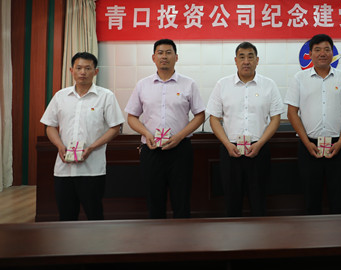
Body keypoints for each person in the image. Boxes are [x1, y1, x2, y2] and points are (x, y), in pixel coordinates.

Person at [125, 39, 205, 218]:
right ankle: (156, 236)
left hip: (180, 150)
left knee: (181, 201)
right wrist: (146, 133)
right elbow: (131, 117)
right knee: (154, 202)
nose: (164, 56)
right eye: (160, 53)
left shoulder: (188, 84)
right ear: (153, 58)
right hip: (151, 149)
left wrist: (179, 136)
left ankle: (182, 235)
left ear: (176, 57)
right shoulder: (143, 85)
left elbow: (200, 115)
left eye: (169, 53)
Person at [40, 52, 124, 221]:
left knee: (94, 216)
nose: (83, 72)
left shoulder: (106, 96)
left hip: (92, 169)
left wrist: (91, 147)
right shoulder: (60, 96)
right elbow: (50, 126)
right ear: (71, 70)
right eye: (78, 68)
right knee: (66, 217)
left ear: (96, 71)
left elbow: (116, 127)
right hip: (64, 169)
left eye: (87, 68)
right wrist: (59, 146)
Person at [207, 42, 284, 217]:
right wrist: (227, 144)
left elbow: (276, 118)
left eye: (250, 57)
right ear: (235, 60)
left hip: (259, 149)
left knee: (259, 202)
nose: (246, 61)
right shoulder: (222, 85)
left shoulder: (269, 85)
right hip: (230, 150)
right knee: (232, 203)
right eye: (241, 57)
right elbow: (214, 118)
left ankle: (260, 234)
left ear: (257, 60)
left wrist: (260, 144)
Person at [286, 34, 341, 215]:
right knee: (311, 199)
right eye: (317, 50)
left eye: (326, 49)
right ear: (310, 54)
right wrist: (306, 142)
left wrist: (340, 142)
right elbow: (292, 112)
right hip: (309, 145)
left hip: (338, 145)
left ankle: (339, 232)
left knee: (338, 198)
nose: (322, 53)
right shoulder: (299, 78)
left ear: (333, 53)